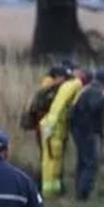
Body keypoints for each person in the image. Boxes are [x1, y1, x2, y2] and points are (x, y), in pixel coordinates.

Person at [71, 68, 104, 201]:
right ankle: (83, 193)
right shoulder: (94, 91)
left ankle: (79, 190)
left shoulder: (87, 90)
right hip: (88, 132)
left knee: (82, 161)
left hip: (79, 130)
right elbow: (95, 106)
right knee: (91, 163)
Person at [37, 61, 85, 197]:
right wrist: (50, 127)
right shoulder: (69, 86)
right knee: (51, 159)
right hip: (53, 129)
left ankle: (53, 189)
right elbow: (57, 107)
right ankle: (49, 191)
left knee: (52, 159)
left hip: (51, 128)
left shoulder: (61, 86)